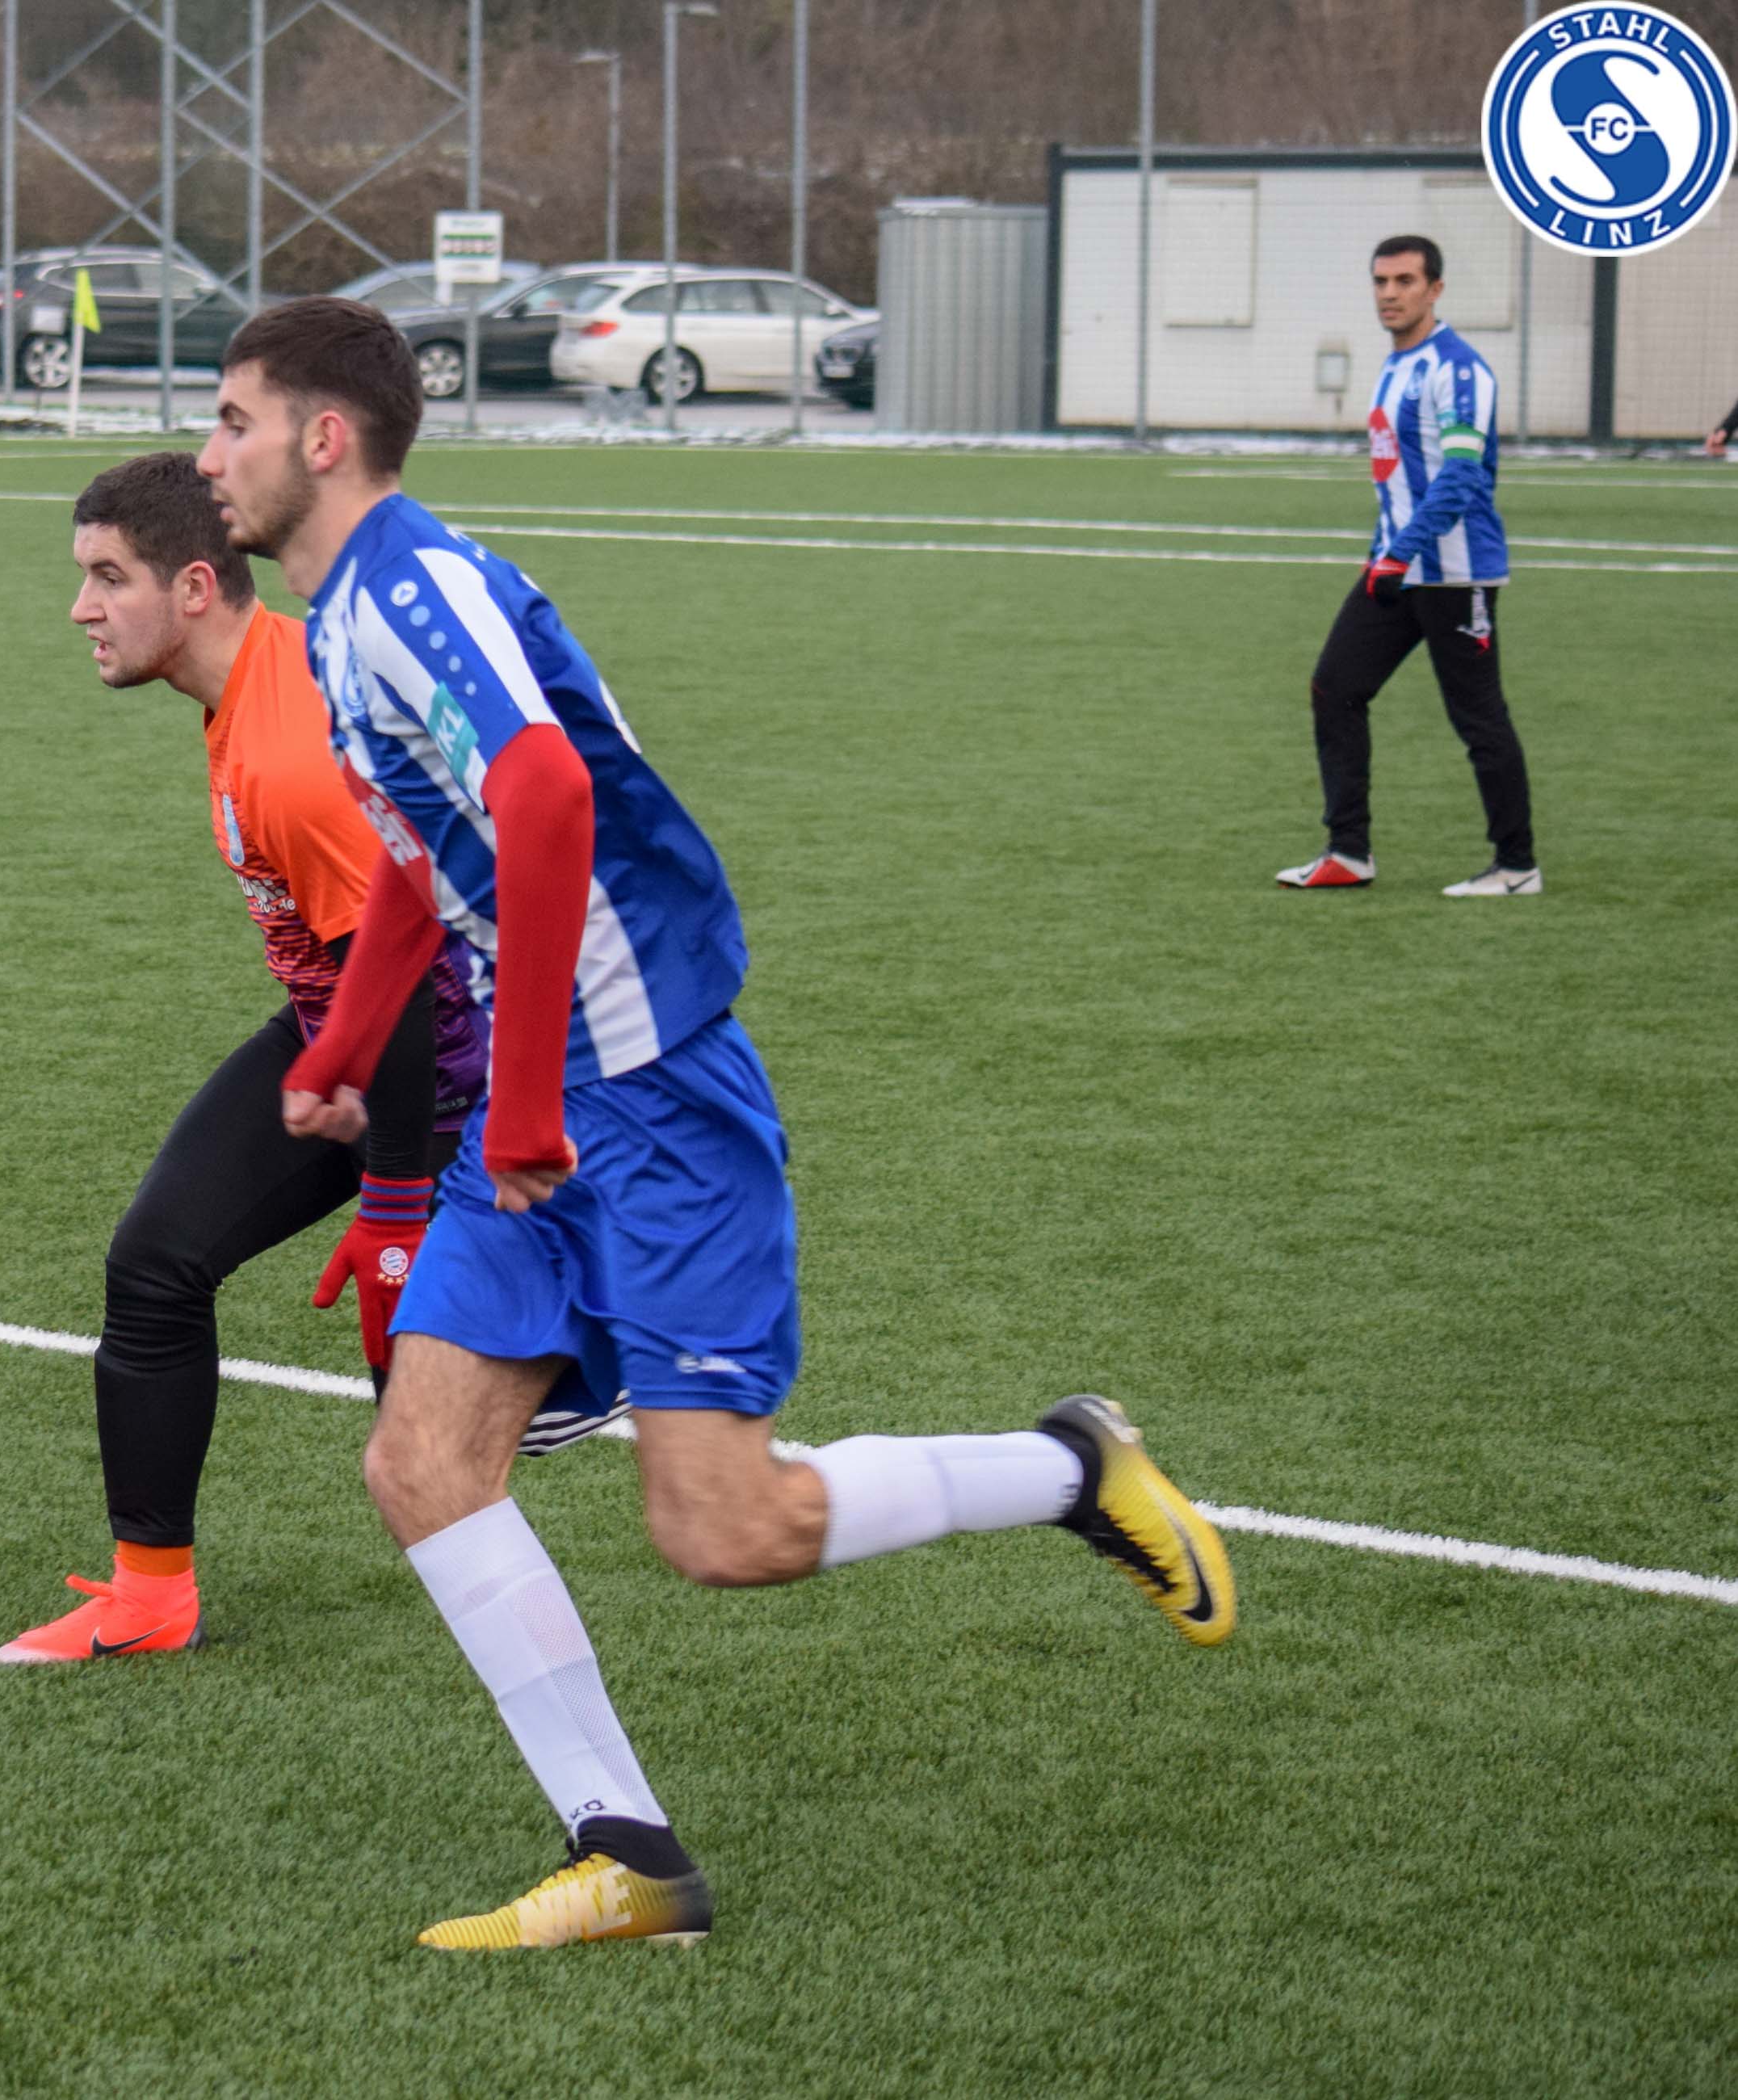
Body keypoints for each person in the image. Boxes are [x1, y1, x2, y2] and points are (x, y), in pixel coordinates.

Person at [195, 297, 1236, 1953]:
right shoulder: (338, 623)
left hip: (649, 1092)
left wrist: (517, 1095)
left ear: (324, 438)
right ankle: (628, 1855)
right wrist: (347, 1040)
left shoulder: (409, 589)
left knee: (725, 1530)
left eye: (233, 419)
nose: (209, 454)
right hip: (548, 1104)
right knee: (420, 1460)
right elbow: (419, 854)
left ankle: (1069, 1468)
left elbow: (543, 793)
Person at [0, 454, 587, 1667]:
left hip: (446, 1068)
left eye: (109, 578)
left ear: (194, 586)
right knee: (157, 1265)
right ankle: (150, 1596)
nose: (80, 608)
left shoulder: (286, 748)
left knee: (435, 1437)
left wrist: (397, 1206)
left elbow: (414, 973)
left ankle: (594, 1362)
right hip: (340, 1036)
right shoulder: (251, 687)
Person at [1278, 236, 1538, 897]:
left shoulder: (1460, 369)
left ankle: (1516, 867)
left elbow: (1461, 477)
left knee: (1478, 718)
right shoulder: (1395, 368)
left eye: (1405, 281)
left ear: (1435, 289)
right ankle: (1349, 852)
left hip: (1455, 574)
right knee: (1334, 688)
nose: (1390, 294)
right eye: (1381, 281)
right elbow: (1394, 478)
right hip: (1395, 568)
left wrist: (1399, 551)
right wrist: (1381, 551)